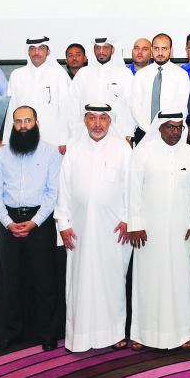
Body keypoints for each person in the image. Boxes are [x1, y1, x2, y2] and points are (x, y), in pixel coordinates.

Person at [126, 111, 190, 351]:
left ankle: (184, 332)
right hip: (148, 231)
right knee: (147, 280)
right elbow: (133, 190)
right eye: (169, 127)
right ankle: (142, 333)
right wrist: (135, 224)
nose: (174, 132)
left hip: (182, 230)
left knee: (182, 280)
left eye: (179, 127)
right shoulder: (143, 153)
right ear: (159, 128)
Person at [57, 104, 133, 352]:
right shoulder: (74, 150)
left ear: (110, 121)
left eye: (103, 118)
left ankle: (114, 334)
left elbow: (130, 188)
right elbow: (64, 190)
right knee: (80, 282)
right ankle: (79, 336)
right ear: (84, 120)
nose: (97, 123)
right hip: (78, 229)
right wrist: (64, 224)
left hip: (113, 230)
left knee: (112, 281)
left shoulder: (122, 149)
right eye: (92, 117)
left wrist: (126, 219)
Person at [0, 105, 64, 353]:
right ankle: (10, 334)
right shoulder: (1, 155)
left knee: (44, 281)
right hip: (8, 221)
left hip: (39, 222)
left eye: (27, 121)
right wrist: (8, 222)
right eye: (18, 121)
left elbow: (53, 193)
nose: (23, 126)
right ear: (13, 125)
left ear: (37, 123)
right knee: (10, 280)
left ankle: (48, 333)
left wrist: (34, 222)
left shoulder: (51, 153)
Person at [3, 36, 72, 149]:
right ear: (28, 52)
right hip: (23, 135)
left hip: (52, 138)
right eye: (32, 48)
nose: (36, 52)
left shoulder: (59, 74)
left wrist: (63, 140)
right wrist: (7, 140)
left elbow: (64, 109)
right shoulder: (17, 75)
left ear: (48, 51)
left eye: (41, 48)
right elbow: (11, 109)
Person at [72, 37, 136, 141]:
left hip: (118, 134)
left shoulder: (124, 74)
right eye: (97, 47)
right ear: (94, 50)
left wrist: (128, 134)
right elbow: (73, 105)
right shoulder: (83, 74)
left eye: (105, 47)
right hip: (86, 134)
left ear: (113, 50)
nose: (101, 51)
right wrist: (75, 132)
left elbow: (130, 105)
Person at [129, 33, 190, 142]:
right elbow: (135, 106)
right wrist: (149, 130)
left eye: (164, 49)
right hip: (144, 132)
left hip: (172, 134)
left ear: (171, 51)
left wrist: (167, 130)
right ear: (152, 50)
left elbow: (182, 108)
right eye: (156, 48)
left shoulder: (181, 75)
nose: (160, 53)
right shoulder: (141, 74)